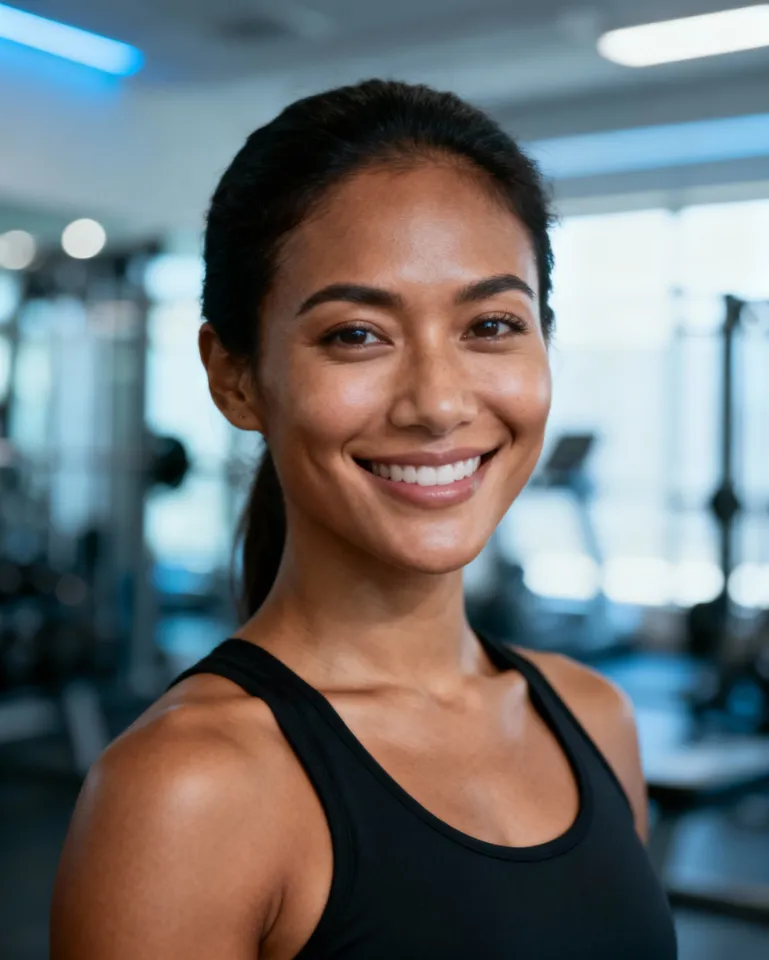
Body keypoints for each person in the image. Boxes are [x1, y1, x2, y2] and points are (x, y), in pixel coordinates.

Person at [50, 79, 677, 959]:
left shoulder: (594, 716)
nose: (436, 403)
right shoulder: (187, 789)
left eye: (492, 324)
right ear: (235, 378)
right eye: (356, 335)